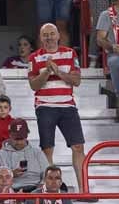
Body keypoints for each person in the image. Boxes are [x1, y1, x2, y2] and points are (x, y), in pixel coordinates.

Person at [28, 22, 85, 183]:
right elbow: (34, 85)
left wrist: (58, 71)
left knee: (78, 147)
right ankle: (51, 190)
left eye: (52, 33)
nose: (49, 38)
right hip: (44, 106)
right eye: (45, 35)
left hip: (67, 106)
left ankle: (84, 189)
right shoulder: (34, 58)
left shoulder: (70, 53)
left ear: (59, 36)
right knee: (47, 149)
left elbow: (76, 80)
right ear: (40, 38)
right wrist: (47, 71)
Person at [0, 118, 50, 191]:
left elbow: (47, 173)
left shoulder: (37, 152)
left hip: (36, 187)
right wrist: (11, 174)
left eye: (21, 139)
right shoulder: (1, 154)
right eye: (16, 139)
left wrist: (41, 186)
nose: (19, 142)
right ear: (10, 136)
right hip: (12, 189)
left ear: (26, 136)